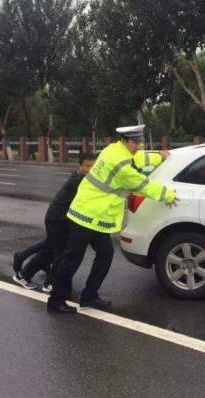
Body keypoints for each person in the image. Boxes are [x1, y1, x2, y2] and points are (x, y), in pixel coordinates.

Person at [47, 125, 177, 314]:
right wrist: (169, 195)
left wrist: (159, 156)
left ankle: (89, 296)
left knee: (105, 254)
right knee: (72, 258)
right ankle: (56, 300)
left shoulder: (115, 149)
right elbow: (142, 185)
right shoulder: (120, 164)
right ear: (125, 140)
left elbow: (139, 159)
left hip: (95, 215)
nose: (138, 146)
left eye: (140, 142)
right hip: (85, 213)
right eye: (135, 142)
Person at [13, 152, 97, 291]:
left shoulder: (81, 176)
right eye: (87, 166)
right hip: (57, 219)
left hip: (61, 219)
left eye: (93, 167)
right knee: (60, 253)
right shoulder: (79, 180)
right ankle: (51, 284)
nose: (90, 170)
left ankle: (24, 274)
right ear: (80, 165)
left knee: (49, 250)